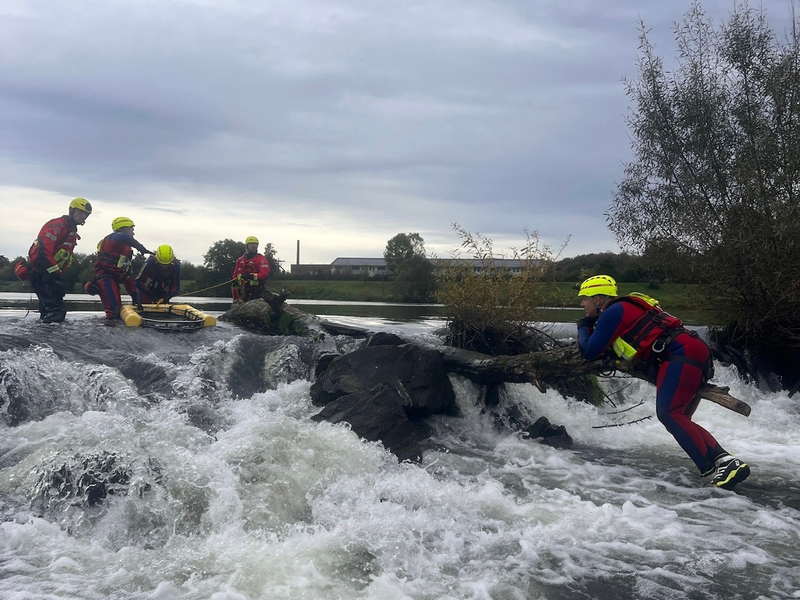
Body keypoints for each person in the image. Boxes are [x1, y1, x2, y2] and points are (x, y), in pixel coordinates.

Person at [575, 275, 750, 490]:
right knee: (681, 418)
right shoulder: (623, 308)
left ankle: (712, 467)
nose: (582, 303)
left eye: (585, 298)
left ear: (598, 299)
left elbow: (590, 351)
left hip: (681, 355)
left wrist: (583, 326)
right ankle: (725, 462)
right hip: (693, 351)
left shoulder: (613, 311)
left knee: (670, 414)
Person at [20, 197, 93, 323]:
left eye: (86, 214)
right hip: (42, 273)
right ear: (72, 210)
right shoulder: (58, 225)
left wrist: (56, 274)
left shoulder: (71, 230)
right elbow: (44, 251)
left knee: (48, 310)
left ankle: (43, 336)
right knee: (57, 310)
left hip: (49, 274)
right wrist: (54, 273)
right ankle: (49, 338)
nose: (83, 216)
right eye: (81, 212)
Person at [86, 217, 153, 320]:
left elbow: (126, 275)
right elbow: (125, 237)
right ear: (124, 229)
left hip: (114, 279)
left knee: (117, 312)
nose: (133, 233)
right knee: (114, 312)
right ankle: (110, 333)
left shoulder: (125, 249)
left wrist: (133, 294)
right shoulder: (113, 238)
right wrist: (141, 249)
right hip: (105, 278)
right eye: (132, 229)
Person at [232, 235, 270, 302]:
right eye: (251, 244)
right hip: (242, 291)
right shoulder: (240, 260)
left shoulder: (261, 259)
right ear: (247, 246)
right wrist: (234, 279)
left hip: (257, 290)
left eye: (255, 244)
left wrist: (251, 276)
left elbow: (264, 274)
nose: (254, 246)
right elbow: (235, 275)